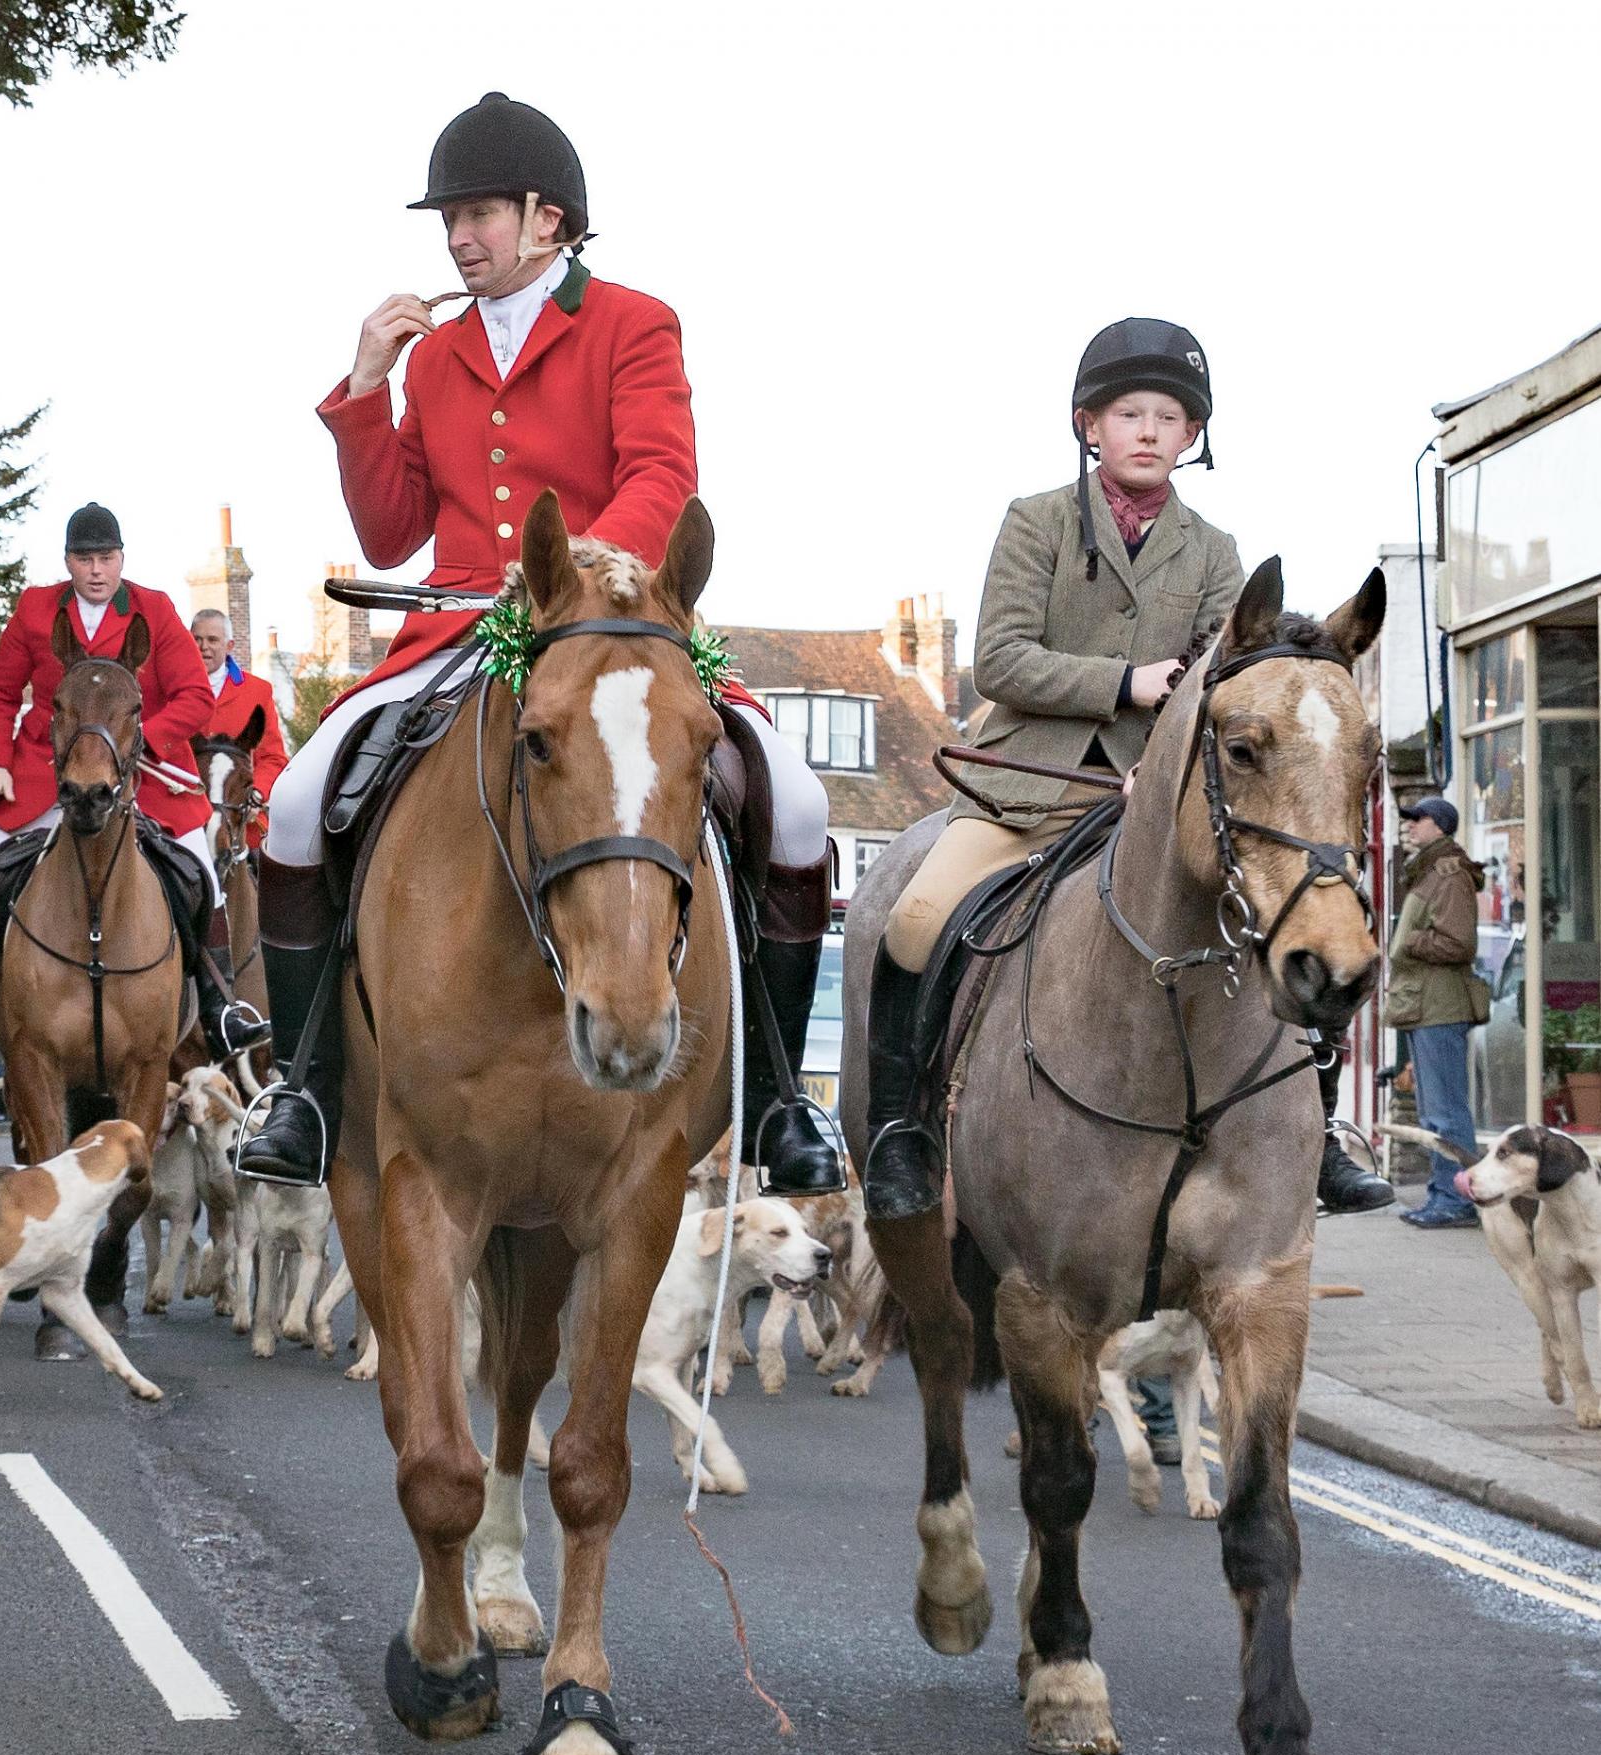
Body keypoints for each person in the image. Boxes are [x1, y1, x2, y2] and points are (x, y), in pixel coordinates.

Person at [236, 93, 837, 1193]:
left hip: (618, 622)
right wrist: (367, 388)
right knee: (290, 803)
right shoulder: (438, 353)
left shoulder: (634, 322)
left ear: (548, 218)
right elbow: (391, 529)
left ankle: (781, 1102)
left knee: (795, 803)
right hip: (461, 626)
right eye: (448, 221)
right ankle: (307, 1091)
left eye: (478, 215)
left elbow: (664, 472)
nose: (458, 238)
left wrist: (586, 578)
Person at [854, 318, 1246, 1223]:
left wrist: (1176, 741)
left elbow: (1223, 675)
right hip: (1026, 787)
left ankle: (1307, 1139)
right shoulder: (1035, 522)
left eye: (1169, 416)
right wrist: (1127, 682)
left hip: (1153, 797)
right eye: (1128, 413)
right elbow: (1000, 659)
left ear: (1192, 438)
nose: (1148, 430)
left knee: (1269, 913)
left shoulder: (1215, 552)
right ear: (1089, 427)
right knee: (914, 921)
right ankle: (898, 1135)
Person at [0, 501, 269, 1060]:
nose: (96, 570)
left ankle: (221, 1005)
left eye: (106, 558)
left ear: (121, 559)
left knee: (201, 868)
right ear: (68, 563)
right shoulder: (34, 609)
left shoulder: (154, 610)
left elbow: (196, 696)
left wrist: (143, 740)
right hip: (49, 771)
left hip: (142, 773)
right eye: (85, 559)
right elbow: (2, 694)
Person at [1385, 797, 1487, 1229]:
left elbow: (1459, 943)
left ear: (1440, 825)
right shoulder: (1429, 870)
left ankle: (1457, 1198)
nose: (1409, 827)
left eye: (1417, 820)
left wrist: (1409, 942)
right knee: (1434, 1112)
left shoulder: (1448, 874)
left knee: (1445, 1112)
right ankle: (1443, 1193)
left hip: (1440, 1005)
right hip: (1425, 1004)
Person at [192, 608, 287, 843]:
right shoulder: (171, 688)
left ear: (230, 645)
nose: (204, 647)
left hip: (241, 819)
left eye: (213, 640)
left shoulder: (257, 691)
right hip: (186, 817)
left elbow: (273, 758)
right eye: (197, 639)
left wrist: (257, 793)